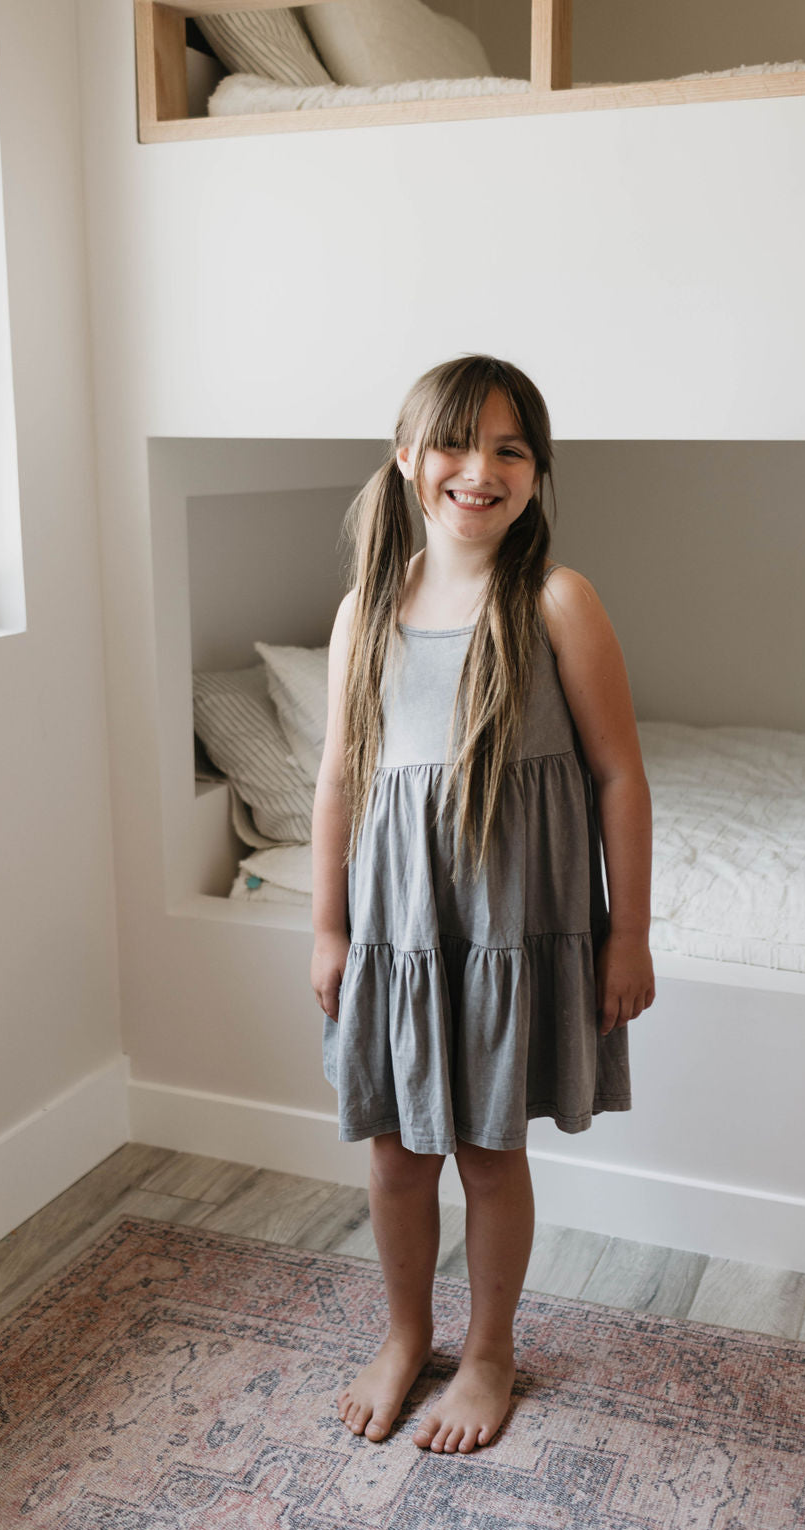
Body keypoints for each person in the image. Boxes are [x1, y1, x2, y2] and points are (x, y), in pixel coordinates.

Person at [310, 354, 655, 1456]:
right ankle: (406, 1331)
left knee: (488, 1151)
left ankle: (491, 1347)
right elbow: (338, 776)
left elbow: (618, 775)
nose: (481, 468)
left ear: (536, 473)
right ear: (410, 458)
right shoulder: (366, 609)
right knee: (395, 1150)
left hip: (508, 932)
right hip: (401, 936)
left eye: (511, 448)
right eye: (457, 443)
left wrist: (627, 932)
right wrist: (328, 925)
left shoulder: (555, 599)